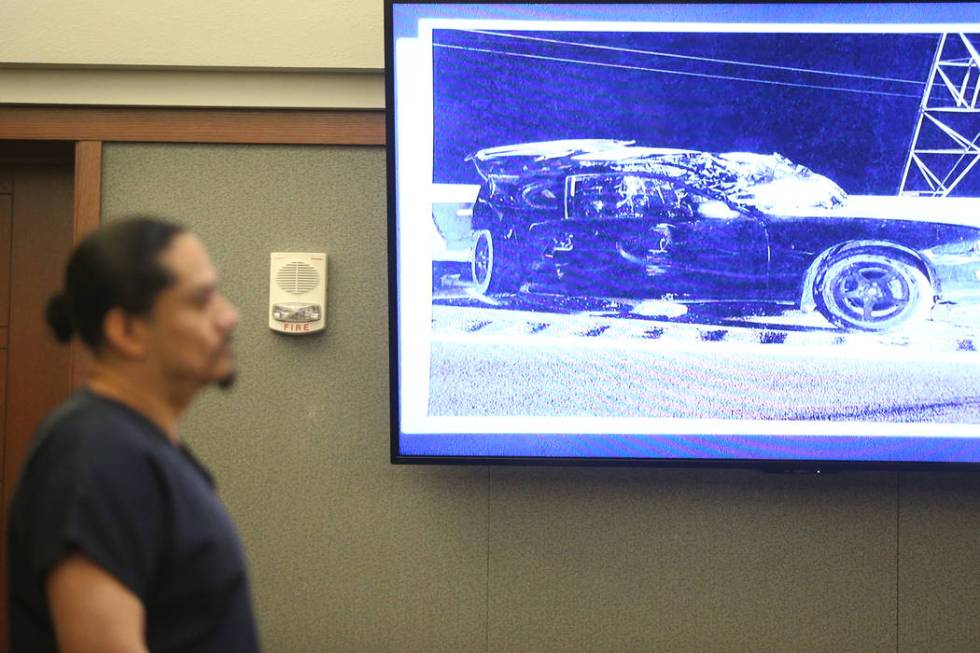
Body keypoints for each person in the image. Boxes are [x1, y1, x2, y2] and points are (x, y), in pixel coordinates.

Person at [6, 217, 260, 653]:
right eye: (201, 302)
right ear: (126, 331)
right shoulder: (95, 455)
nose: (228, 315)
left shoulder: (142, 449)